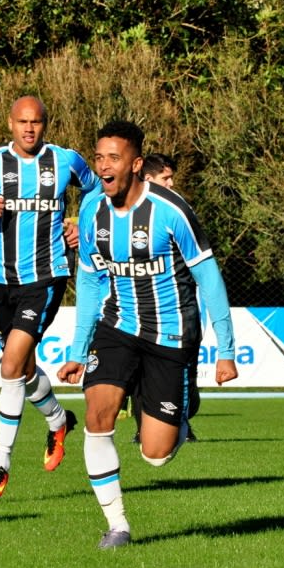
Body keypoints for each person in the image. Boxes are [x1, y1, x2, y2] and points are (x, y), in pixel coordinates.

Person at [57, 121, 237, 550]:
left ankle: (179, 401)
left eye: (113, 158)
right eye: (98, 157)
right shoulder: (91, 213)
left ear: (136, 164)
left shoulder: (171, 210)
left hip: (171, 334)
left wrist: (226, 350)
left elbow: (208, 278)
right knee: (97, 418)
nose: (103, 167)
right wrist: (79, 349)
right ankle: (117, 526)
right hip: (117, 325)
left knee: (154, 455)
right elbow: (89, 281)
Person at [0, 95, 100, 499]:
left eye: (36, 122)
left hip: (46, 278)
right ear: (10, 124)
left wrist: (76, 223)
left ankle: (1, 463)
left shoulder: (65, 160)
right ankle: (58, 420)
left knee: (11, 363)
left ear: (45, 124)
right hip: (1, 281)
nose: (29, 128)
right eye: (22, 122)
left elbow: (99, 192)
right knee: (25, 369)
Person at [123, 152, 198, 444]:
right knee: (140, 373)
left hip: (181, 308)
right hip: (137, 312)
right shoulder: (123, 212)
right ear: (149, 179)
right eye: (166, 177)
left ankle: (181, 421)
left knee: (184, 373)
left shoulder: (177, 210)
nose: (172, 182)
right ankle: (144, 429)